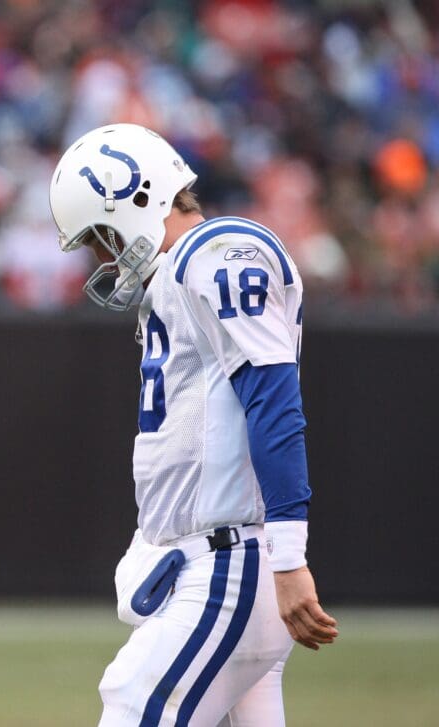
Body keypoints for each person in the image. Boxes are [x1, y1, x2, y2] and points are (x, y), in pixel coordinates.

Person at [49, 123, 338, 727]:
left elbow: (273, 399)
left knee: (133, 705)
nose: (103, 256)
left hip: (229, 566)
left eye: (101, 237)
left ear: (137, 201)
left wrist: (289, 558)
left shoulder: (217, 251)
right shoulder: (176, 282)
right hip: (207, 564)